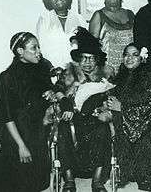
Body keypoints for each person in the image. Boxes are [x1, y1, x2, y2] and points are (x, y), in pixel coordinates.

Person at [51, 27, 114, 192]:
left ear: (97, 60)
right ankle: (69, 181)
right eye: (84, 58)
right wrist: (65, 103)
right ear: (78, 59)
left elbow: (112, 97)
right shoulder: (70, 72)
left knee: (103, 130)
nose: (87, 63)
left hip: (95, 117)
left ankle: (97, 181)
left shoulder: (105, 75)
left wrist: (103, 109)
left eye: (91, 58)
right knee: (64, 129)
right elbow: (57, 89)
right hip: (72, 117)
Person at [106, 43, 151, 191]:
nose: (130, 58)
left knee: (147, 173)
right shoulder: (121, 77)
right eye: (126, 54)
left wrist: (121, 107)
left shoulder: (149, 76)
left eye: (134, 55)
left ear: (141, 58)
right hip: (125, 127)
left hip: (147, 129)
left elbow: (150, 108)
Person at [0, 32, 52, 191]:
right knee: (19, 182)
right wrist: (21, 146)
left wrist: (51, 95)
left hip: (36, 133)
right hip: (16, 136)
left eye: (38, 47)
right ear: (20, 51)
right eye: (34, 48)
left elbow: (46, 96)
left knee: (39, 181)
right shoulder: (7, 77)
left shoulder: (40, 70)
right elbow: (6, 115)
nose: (38, 51)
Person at [37, 0, 87, 69]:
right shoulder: (44, 20)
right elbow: (41, 51)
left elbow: (85, 48)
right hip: (52, 73)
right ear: (48, 0)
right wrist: (52, 69)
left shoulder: (79, 19)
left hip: (76, 74)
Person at [89, 0, 135, 74]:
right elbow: (91, 48)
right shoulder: (98, 16)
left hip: (130, 69)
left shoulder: (130, 14)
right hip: (109, 71)